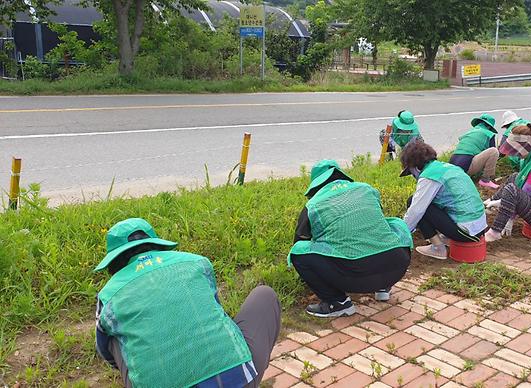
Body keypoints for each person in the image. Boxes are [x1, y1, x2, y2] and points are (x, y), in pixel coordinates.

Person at [94, 218, 281, 388]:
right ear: (156, 244)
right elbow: (216, 308)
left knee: (111, 334)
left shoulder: (109, 294)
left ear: (113, 262)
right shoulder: (197, 263)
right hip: (237, 383)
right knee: (264, 295)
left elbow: (105, 351)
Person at [289, 160, 412, 318]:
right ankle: (383, 287)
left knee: (298, 252)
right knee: (394, 224)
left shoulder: (313, 205)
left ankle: (337, 302)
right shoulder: (366, 189)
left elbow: (300, 241)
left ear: (316, 184)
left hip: (356, 277)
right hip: (397, 266)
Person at [401, 141, 488, 260]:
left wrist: (401, 234)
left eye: (411, 172)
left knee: (413, 202)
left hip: (467, 233)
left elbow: (416, 211)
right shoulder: (446, 167)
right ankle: (446, 238)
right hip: (479, 227)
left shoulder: (429, 176)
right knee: (431, 202)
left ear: (416, 167)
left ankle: (438, 248)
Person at [449, 113, 501, 189]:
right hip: (465, 167)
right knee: (494, 151)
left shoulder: (468, 133)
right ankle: (485, 180)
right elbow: (491, 154)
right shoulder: (489, 134)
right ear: (489, 127)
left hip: (452, 165)